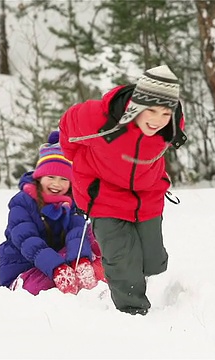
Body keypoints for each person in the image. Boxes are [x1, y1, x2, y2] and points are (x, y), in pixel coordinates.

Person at [58, 65, 187, 315]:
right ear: (136, 105)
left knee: (152, 260)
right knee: (122, 258)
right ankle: (132, 312)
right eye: (150, 110)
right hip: (104, 194)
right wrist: (74, 158)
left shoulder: (172, 124)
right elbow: (67, 128)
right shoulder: (100, 118)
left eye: (164, 112)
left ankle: (131, 280)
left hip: (146, 195)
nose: (157, 120)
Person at [0, 131, 105, 296]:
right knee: (38, 288)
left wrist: (80, 261)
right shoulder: (23, 202)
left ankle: (101, 272)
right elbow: (28, 241)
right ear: (39, 177)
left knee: (92, 231)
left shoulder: (71, 202)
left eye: (64, 179)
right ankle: (23, 285)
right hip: (26, 266)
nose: (56, 184)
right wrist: (57, 267)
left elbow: (76, 234)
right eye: (51, 176)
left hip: (58, 260)